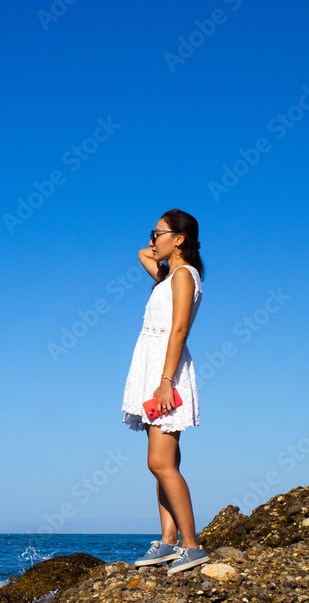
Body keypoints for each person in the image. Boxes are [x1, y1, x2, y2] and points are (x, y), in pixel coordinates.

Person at [120, 208, 209, 575]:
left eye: (158, 233)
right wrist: (161, 244)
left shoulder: (184, 275)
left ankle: (192, 546)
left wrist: (166, 381)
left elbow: (180, 330)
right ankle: (169, 540)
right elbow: (143, 254)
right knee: (164, 462)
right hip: (155, 372)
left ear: (180, 238)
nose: (151, 240)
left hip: (166, 374)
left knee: (159, 463)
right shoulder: (168, 275)